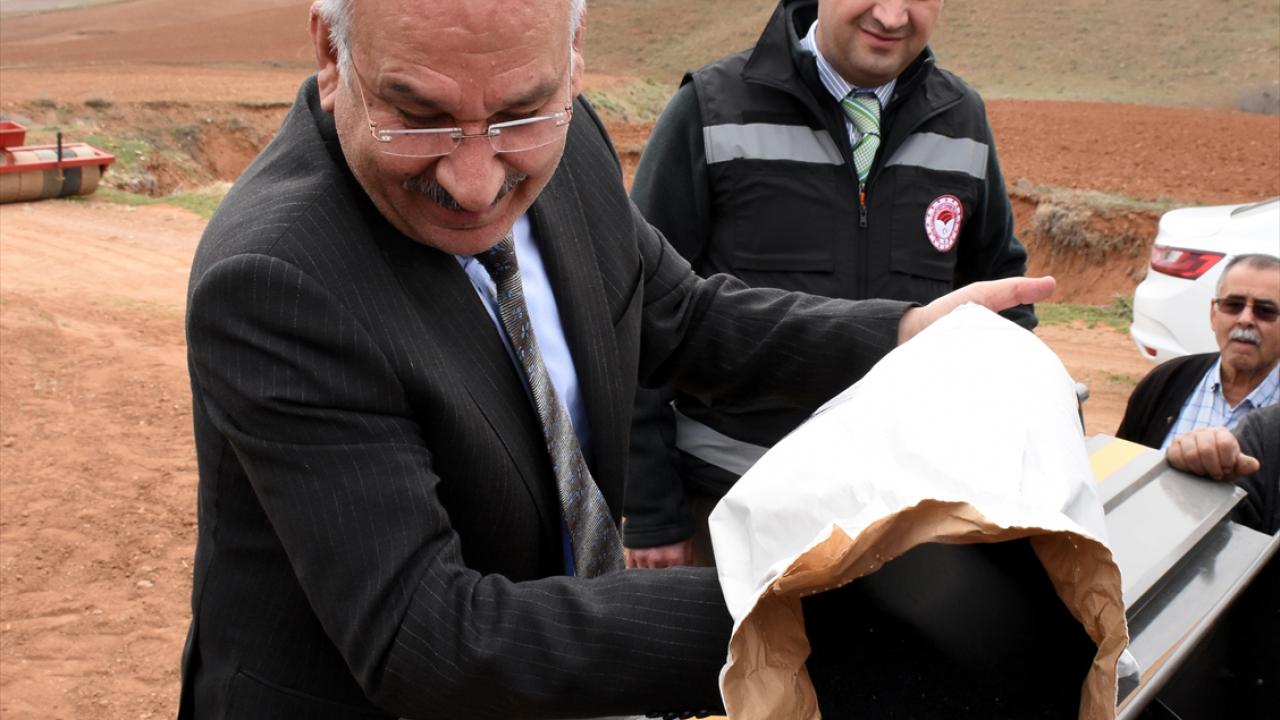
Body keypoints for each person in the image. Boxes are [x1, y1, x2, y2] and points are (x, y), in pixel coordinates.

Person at [177, 0, 1053, 717]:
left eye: (520, 112)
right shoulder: (278, 278)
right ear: (331, 52)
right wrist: (799, 605)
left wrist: (902, 335)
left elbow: (679, 313)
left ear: (574, 55)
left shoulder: (574, 142)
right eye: (420, 117)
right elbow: (429, 638)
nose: (476, 183)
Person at [624, 0, 1035, 568]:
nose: (892, 17)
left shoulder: (962, 119)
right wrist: (651, 511)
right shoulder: (711, 109)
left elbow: (998, 299)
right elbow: (635, 310)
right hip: (734, 509)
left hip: (901, 521)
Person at [1117, 253, 1280, 450]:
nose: (1245, 319)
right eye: (1233, 305)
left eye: (1265, 310)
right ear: (1213, 314)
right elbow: (1120, 468)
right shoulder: (1167, 382)